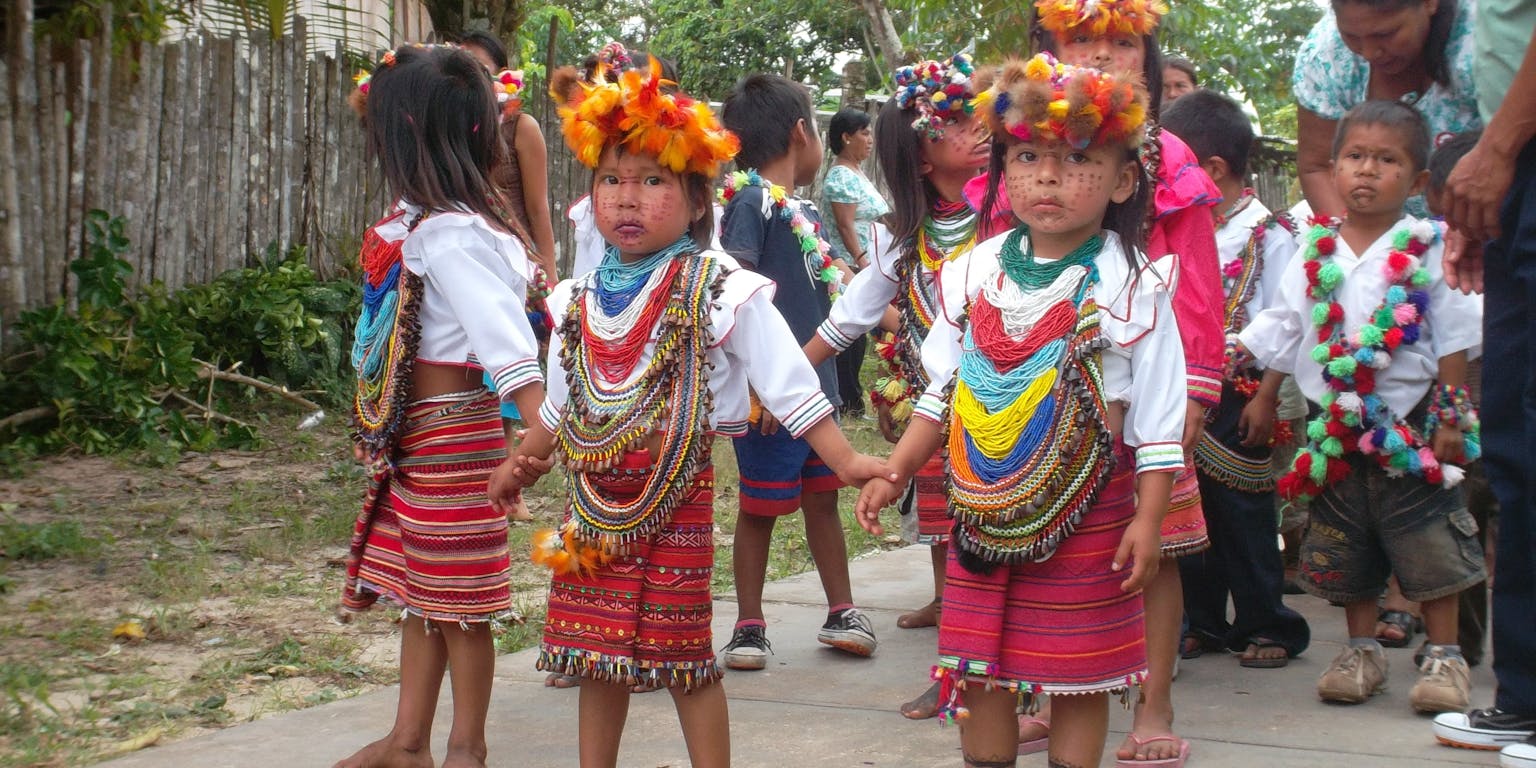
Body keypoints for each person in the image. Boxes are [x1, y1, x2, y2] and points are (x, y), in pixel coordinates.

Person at [486, 59, 891, 768]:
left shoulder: (716, 287)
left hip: (676, 500)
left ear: (699, 200)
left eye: (653, 181)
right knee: (596, 655)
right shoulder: (577, 298)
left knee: (684, 657)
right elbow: (560, 397)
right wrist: (526, 457)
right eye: (611, 180)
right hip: (590, 505)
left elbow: (789, 381)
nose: (627, 199)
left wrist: (849, 459)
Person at [855, 53, 1185, 768]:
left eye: (1076, 160)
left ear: (1125, 179)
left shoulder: (1136, 287)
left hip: (1091, 509)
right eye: (1027, 156)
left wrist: (1150, 521)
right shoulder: (975, 269)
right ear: (1003, 168)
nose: (1046, 176)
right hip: (981, 507)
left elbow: (1159, 426)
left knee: (1077, 676)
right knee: (982, 672)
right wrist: (897, 468)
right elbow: (942, 389)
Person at [1020, 1, 1226, 762]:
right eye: (1082, 40)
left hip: (1147, 391)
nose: (1102, 55)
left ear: (1148, 56)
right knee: (1042, 541)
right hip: (1038, 387)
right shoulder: (1020, 146)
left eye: (1122, 42)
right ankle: (1051, 691)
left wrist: (1194, 391)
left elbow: (1197, 284)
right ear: (1048, 48)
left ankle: (1154, 703)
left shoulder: (1167, 156)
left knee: (1156, 548)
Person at [336, 43, 546, 768]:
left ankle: (465, 748)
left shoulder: (452, 237)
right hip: (423, 439)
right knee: (423, 596)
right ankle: (407, 741)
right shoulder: (431, 223)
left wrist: (535, 432)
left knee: (461, 607)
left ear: (406, 139)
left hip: (456, 438)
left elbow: (506, 343)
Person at [1239, 100, 1485, 716]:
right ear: (1332, 166)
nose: (1367, 171)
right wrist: (1266, 394)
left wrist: (1452, 414)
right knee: (1346, 538)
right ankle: (1360, 650)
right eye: (1354, 157)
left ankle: (1447, 657)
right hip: (1333, 425)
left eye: (1386, 159)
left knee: (1428, 535)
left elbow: (1452, 333)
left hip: (1411, 418)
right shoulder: (1314, 250)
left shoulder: (1424, 247)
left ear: (1419, 181)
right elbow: (1292, 328)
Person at [803, 53, 990, 720]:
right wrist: (784, 379)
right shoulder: (899, 239)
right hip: (941, 412)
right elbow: (848, 317)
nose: (980, 130)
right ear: (919, 160)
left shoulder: (1013, 216)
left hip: (1018, 416)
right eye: (956, 123)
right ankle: (964, 675)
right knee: (955, 541)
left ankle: (1026, 681)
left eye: (977, 114)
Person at [713, 73, 872, 670]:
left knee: (822, 500)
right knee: (759, 506)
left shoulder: (801, 209)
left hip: (816, 389)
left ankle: (843, 610)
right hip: (769, 394)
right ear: (803, 132)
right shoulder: (750, 203)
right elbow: (733, 285)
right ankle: (749, 624)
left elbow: (837, 288)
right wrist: (754, 383)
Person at [1161, 89, 1312, 669]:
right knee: (1188, 510)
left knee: (1244, 516)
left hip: (1239, 393)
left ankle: (1267, 622)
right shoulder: (1179, 228)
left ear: (1212, 170)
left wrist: (1263, 387)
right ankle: (1202, 620)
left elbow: (1287, 316)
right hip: (1180, 390)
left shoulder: (1268, 234)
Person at [1430, 8, 1536, 765]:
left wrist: (1497, 151)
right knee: (1514, 442)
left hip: (1520, 151)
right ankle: (1526, 696)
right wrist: (1488, 175)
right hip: (1520, 168)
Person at [1292, 0, 1480, 218]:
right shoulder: (1326, 58)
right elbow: (1318, 167)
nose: (1369, 53)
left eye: (1385, 34)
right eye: (1351, 37)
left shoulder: (1484, 40)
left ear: (1429, 3)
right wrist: (1358, 245)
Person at [822, 106, 891, 419]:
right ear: (846, 137)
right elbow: (846, 226)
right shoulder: (840, 177)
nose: (870, 139)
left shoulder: (857, 172)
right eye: (863, 133)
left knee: (859, 338)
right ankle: (849, 402)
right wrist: (863, 263)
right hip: (848, 267)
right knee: (849, 336)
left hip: (866, 264)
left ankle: (851, 400)